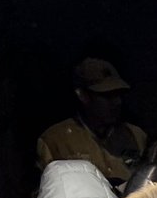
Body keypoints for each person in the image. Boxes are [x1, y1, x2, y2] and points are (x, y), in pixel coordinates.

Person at [37, 59, 147, 188]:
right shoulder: (55, 140)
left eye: (119, 94)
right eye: (107, 96)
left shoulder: (136, 135)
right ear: (83, 95)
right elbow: (46, 195)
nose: (117, 102)